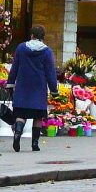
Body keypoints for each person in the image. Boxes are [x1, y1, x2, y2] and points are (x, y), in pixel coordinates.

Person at [8, 24, 58, 152]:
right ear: (43, 37)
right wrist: (54, 90)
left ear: (32, 35)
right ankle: (35, 144)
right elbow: (50, 72)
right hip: (39, 87)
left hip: (23, 85)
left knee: (21, 114)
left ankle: (17, 133)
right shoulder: (47, 52)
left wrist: (10, 84)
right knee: (38, 116)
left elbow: (14, 67)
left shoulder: (21, 48)